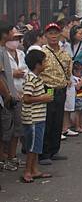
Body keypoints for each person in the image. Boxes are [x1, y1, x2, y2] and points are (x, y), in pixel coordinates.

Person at [39, 23, 72, 165]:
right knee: (48, 120)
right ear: (45, 35)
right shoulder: (42, 53)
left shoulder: (64, 53)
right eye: (50, 33)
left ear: (60, 35)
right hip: (48, 89)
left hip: (61, 89)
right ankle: (44, 153)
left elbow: (68, 71)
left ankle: (54, 150)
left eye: (56, 33)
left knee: (58, 120)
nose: (53, 35)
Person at [21, 50, 53, 183]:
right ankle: (28, 171)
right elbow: (26, 98)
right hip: (33, 118)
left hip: (39, 116)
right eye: (44, 61)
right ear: (37, 64)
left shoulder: (38, 78)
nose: (46, 64)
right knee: (33, 146)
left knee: (37, 145)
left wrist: (47, 96)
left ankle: (34, 170)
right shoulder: (30, 79)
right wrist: (42, 98)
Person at [0, 25, 24, 172]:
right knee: (5, 131)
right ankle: (3, 159)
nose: (14, 36)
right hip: (5, 98)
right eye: (11, 33)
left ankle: (11, 157)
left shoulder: (5, 51)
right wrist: (7, 94)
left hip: (13, 96)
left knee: (16, 128)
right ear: (5, 34)